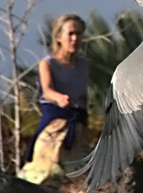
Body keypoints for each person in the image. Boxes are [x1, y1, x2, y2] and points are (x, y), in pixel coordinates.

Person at [18, 14, 90, 186]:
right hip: (55, 124)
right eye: (70, 33)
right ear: (59, 36)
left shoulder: (84, 65)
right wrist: (60, 98)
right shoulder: (47, 63)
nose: (75, 38)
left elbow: (84, 96)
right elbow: (47, 90)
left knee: (81, 174)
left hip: (78, 126)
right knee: (45, 171)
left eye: (78, 34)